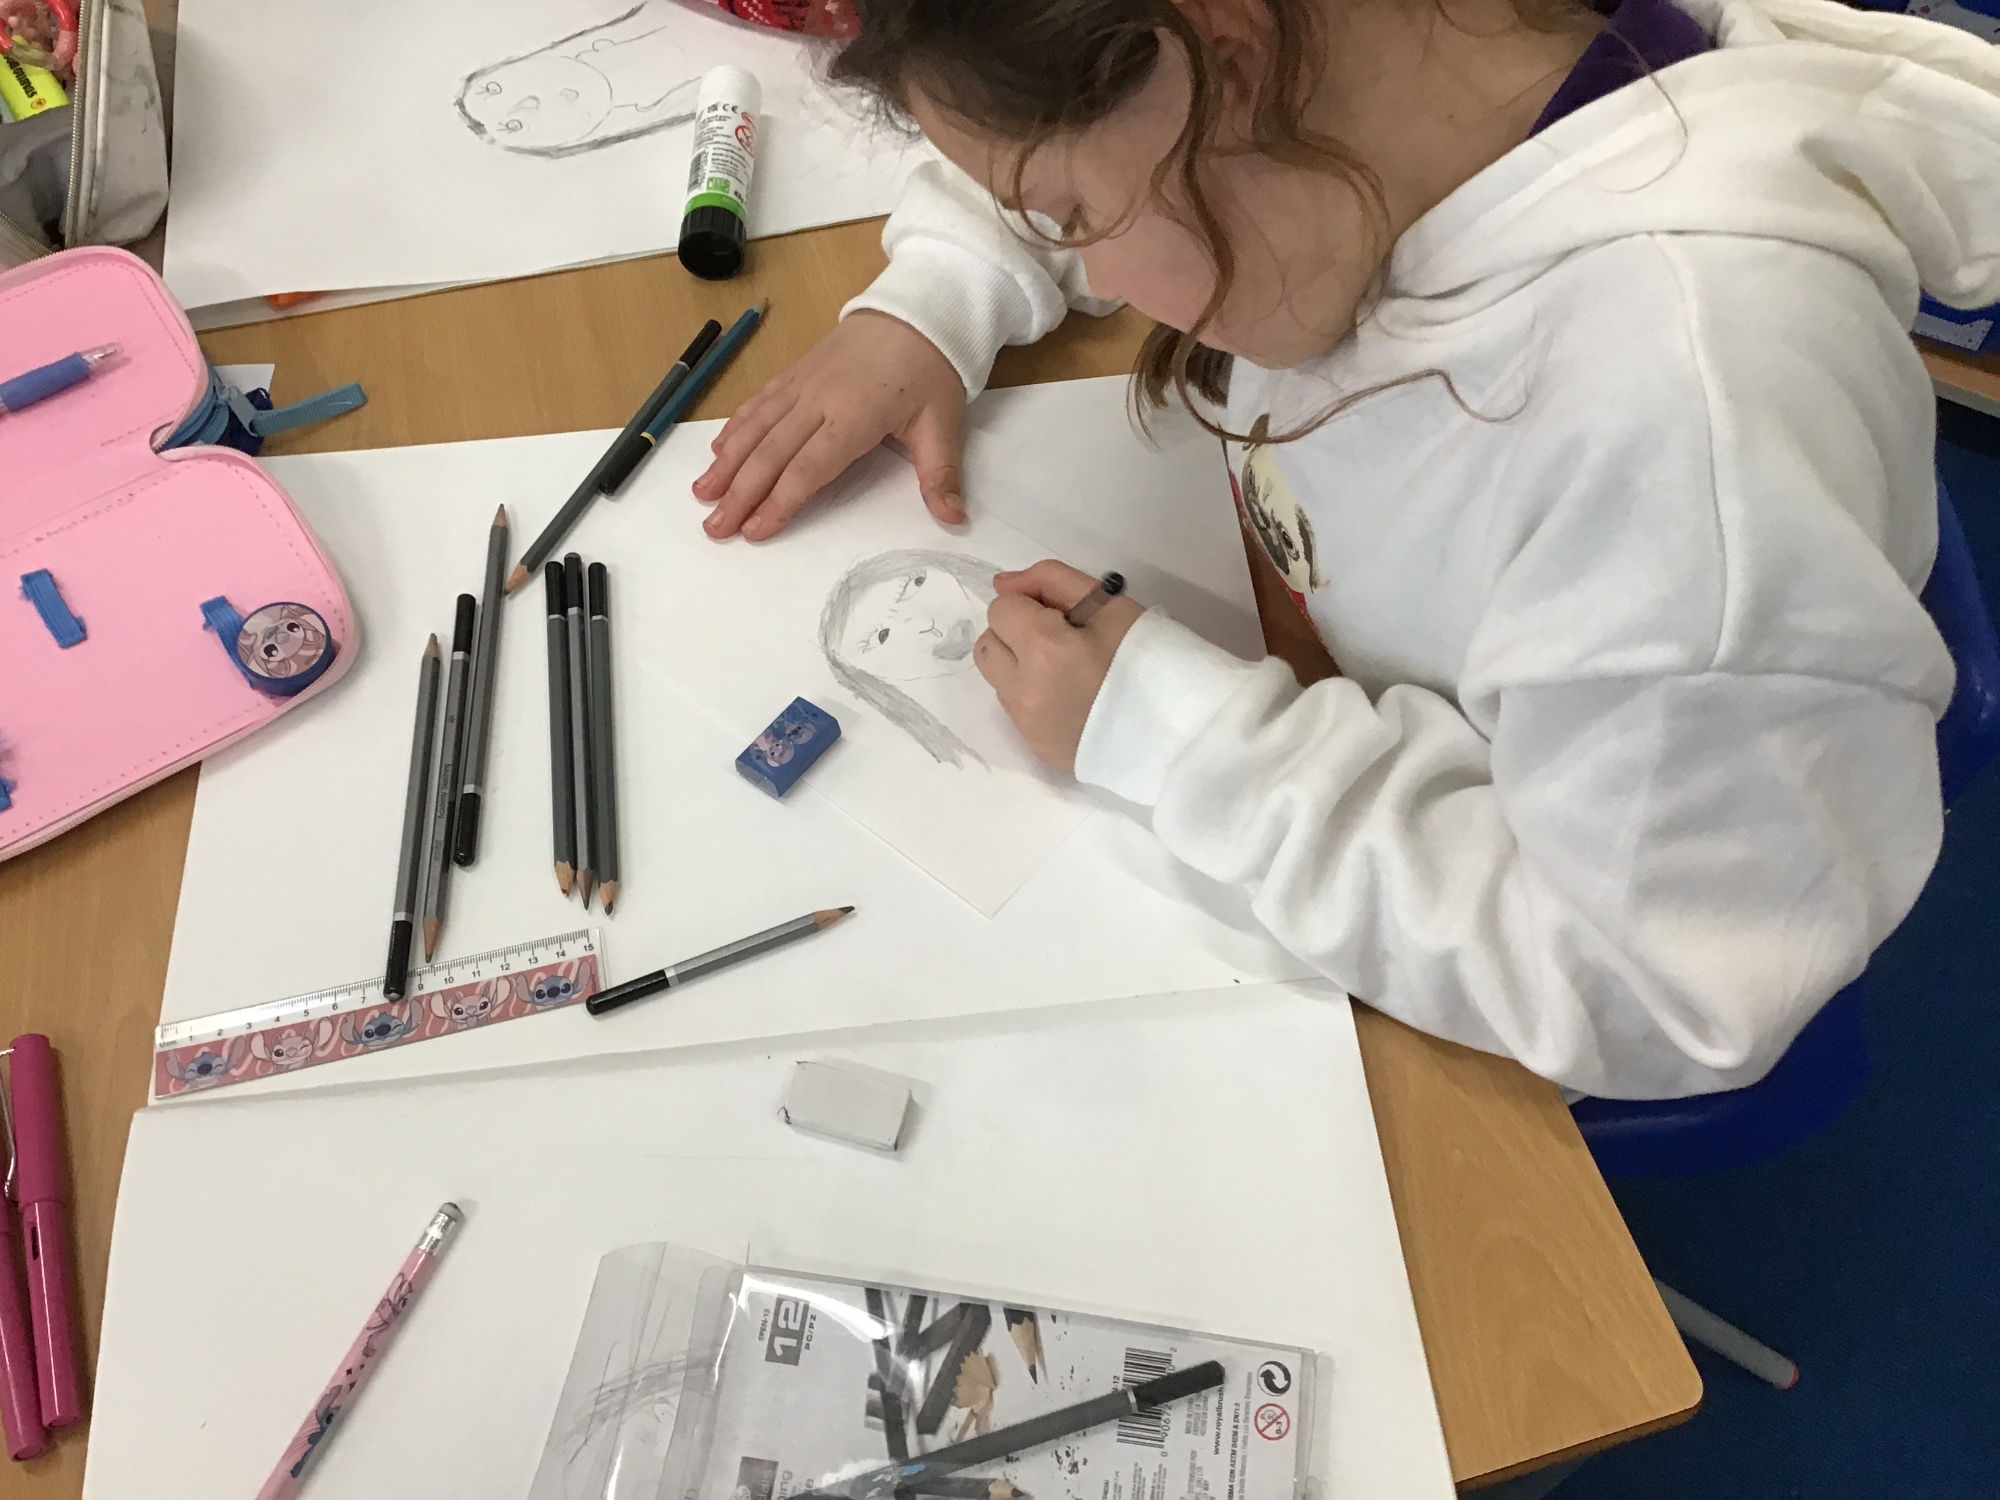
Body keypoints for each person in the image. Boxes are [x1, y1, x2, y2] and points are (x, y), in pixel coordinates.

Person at [690, 0, 2000, 1098]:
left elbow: (1659, 983)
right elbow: (1070, 106)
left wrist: (1177, 736)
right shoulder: (1410, 81)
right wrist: (932, 303)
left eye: (1068, 217)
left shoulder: (1680, 429)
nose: (1088, 265)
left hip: (1506, 961)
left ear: (1230, 57)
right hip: (1353, 667)